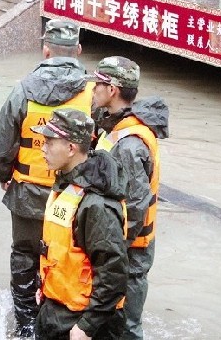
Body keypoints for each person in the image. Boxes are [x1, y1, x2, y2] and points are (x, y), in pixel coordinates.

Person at [0, 20, 94, 337]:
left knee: (25, 256)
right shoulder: (91, 94)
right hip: (76, 197)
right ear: (78, 51)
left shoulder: (22, 89)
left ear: (45, 50)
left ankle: (26, 325)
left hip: (28, 192)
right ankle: (67, 322)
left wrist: (4, 175)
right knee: (73, 257)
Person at [31, 108, 129, 340]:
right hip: (56, 309)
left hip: (80, 322)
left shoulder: (96, 204)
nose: (42, 148)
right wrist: (44, 286)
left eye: (49, 142)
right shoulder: (67, 184)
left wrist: (87, 326)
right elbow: (62, 251)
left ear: (71, 148)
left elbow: (113, 272)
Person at [90, 56, 169, 340]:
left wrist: (112, 250)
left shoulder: (130, 144)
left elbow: (134, 206)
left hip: (129, 249)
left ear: (112, 90)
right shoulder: (119, 124)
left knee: (126, 327)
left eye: (98, 83)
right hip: (123, 244)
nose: (93, 89)